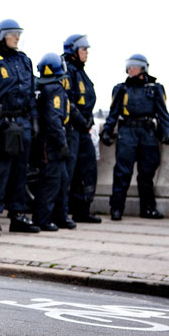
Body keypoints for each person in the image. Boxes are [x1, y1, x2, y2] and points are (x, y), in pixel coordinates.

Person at [0, 19, 40, 237]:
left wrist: (34, 119)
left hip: (22, 123)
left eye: (18, 33)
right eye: (13, 33)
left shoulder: (24, 60)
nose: (17, 37)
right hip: (2, 123)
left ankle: (17, 214)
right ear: (1, 35)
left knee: (21, 172)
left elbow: (30, 92)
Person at [101, 54, 169, 221]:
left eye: (133, 66)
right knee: (122, 172)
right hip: (127, 132)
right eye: (128, 65)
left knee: (147, 173)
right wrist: (107, 131)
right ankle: (116, 208)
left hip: (148, 133)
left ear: (142, 68)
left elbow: (163, 114)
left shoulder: (155, 88)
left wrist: (167, 132)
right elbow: (113, 113)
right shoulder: (121, 89)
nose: (129, 69)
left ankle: (148, 208)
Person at [60, 34, 100, 226]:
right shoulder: (68, 71)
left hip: (83, 128)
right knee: (69, 170)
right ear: (74, 51)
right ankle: (63, 211)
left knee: (88, 169)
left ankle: (82, 209)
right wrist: (81, 120)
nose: (86, 53)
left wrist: (89, 119)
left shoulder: (82, 72)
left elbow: (88, 102)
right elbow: (68, 100)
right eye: (84, 50)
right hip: (72, 129)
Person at [32, 53, 70, 231]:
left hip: (41, 139)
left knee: (61, 179)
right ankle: (43, 219)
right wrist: (62, 143)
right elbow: (54, 119)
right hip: (51, 142)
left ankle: (60, 216)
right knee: (50, 181)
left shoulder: (38, 86)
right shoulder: (55, 88)